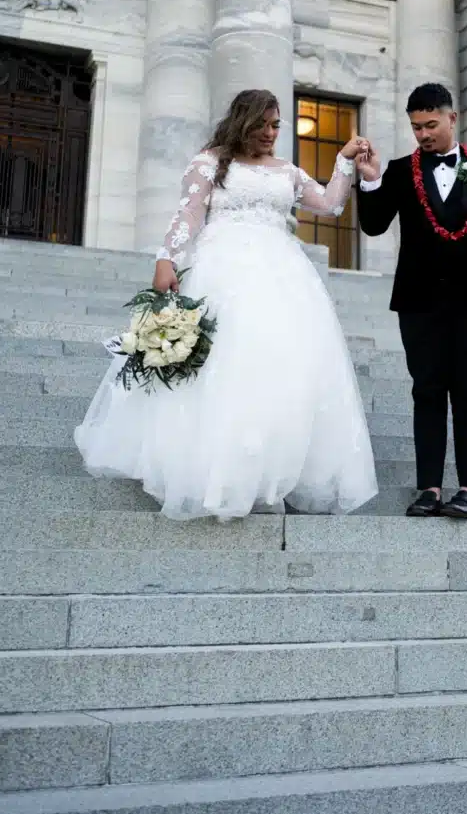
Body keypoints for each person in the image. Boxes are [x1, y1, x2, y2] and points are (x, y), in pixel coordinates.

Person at [75, 89, 378, 521]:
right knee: (221, 365)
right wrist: (167, 259)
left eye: (277, 125)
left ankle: (265, 473)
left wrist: (345, 160)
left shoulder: (288, 172)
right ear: (244, 121)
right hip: (222, 271)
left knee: (276, 367)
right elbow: (188, 215)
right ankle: (209, 471)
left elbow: (330, 204)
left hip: (284, 278)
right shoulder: (211, 162)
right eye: (265, 124)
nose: (273, 133)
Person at [356, 82, 467, 520]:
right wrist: (370, 182)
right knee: (426, 390)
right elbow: (372, 227)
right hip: (417, 299)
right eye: (415, 127)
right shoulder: (397, 170)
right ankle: (428, 488)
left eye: (430, 124)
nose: (423, 134)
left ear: (452, 118)